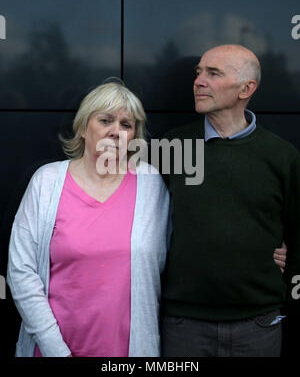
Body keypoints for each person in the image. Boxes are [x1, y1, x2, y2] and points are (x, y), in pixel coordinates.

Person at [7, 82, 170, 357]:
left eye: (126, 125)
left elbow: (173, 256)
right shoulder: (47, 181)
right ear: (83, 128)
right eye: (105, 120)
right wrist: (56, 350)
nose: (115, 132)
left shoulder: (150, 183)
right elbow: (21, 271)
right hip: (53, 349)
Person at [161, 44, 300, 357]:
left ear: (246, 88)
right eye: (199, 73)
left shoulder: (282, 157)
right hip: (185, 324)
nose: (198, 81)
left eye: (213, 73)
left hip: (259, 325)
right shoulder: (172, 147)